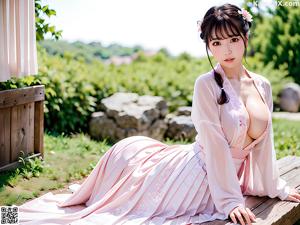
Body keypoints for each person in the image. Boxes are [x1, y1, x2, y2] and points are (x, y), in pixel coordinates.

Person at [19, 3, 300, 225]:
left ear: (246, 37)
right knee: (112, 211)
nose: (225, 50)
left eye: (233, 39)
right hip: (200, 175)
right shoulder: (206, 85)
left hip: (228, 178)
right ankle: (9, 215)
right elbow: (214, 145)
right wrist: (230, 201)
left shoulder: (262, 84)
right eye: (216, 43)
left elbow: (265, 144)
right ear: (207, 46)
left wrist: (276, 187)